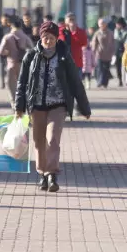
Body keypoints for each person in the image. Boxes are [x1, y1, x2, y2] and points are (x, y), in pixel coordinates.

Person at [15, 21, 91, 192]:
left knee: (52, 139)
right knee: (38, 142)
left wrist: (84, 108)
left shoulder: (64, 57)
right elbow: (22, 82)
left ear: (57, 38)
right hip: (37, 105)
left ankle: (52, 174)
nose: (48, 41)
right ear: (40, 38)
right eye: (45, 37)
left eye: (51, 38)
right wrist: (19, 106)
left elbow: (75, 82)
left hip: (58, 105)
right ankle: (42, 174)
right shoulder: (31, 56)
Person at [0, 18, 34, 108]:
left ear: (11, 26)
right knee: (23, 84)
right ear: (21, 26)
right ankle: (23, 102)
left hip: (11, 64)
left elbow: (0, 51)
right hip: (22, 64)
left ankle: (14, 103)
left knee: (11, 85)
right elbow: (32, 49)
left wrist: (7, 52)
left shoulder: (7, 37)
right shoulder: (25, 36)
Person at [60, 13, 88, 77]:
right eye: (70, 19)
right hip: (64, 63)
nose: (72, 21)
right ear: (65, 21)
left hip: (77, 62)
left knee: (77, 82)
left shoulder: (81, 31)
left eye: (73, 19)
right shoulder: (61, 30)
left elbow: (84, 43)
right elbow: (62, 41)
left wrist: (74, 32)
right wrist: (68, 31)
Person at [91, 18, 117, 88]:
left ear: (106, 24)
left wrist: (113, 52)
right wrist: (93, 51)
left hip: (108, 54)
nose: (101, 25)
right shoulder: (97, 33)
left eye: (103, 23)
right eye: (100, 24)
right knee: (100, 68)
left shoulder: (110, 33)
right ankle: (99, 82)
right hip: (99, 53)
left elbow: (113, 42)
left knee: (106, 69)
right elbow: (94, 42)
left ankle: (105, 83)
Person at [0, 14, 12, 88]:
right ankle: (2, 83)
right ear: (1, 20)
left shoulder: (11, 28)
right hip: (0, 51)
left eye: (7, 19)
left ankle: (8, 82)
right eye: (4, 19)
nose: (5, 21)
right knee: (1, 67)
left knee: (9, 67)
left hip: (9, 51)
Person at [113, 18, 127, 86]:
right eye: (116, 24)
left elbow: (124, 40)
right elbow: (115, 39)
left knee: (125, 66)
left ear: (121, 25)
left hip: (124, 50)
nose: (116, 25)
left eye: (118, 24)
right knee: (117, 66)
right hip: (116, 51)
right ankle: (120, 80)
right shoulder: (115, 31)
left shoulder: (126, 31)